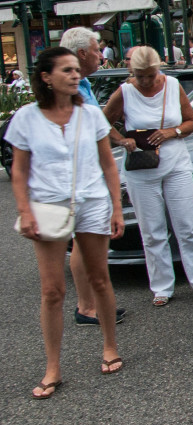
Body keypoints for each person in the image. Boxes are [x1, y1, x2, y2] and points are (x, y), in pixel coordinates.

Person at [6, 47, 125, 398]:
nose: (76, 76)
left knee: (99, 278)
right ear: (46, 77)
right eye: (67, 71)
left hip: (91, 202)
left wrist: (117, 208)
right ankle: (53, 367)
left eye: (77, 70)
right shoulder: (26, 117)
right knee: (52, 290)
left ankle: (109, 346)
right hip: (47, 205)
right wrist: (24, 210)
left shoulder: (90, 115)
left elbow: (108, 165)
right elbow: (19, 170)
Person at [103, 47, 193, 306]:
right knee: (152, 231)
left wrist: (171, 132)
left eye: (150, 75)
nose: (145, 81)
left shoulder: (173, 85)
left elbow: (191, 122)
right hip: (142, 168)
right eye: (139, 76)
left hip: (176, 163)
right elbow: (103, 121)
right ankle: (162, 287)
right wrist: (122, 140)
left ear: (158, 68)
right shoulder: (125, 91)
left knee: (188, 226)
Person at [58, 26, 125, 326]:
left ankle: (93, 304)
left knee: (87, 240)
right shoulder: (69, 86)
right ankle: (86, 307)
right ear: (82, 52)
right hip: (77, 176)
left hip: (88, 173)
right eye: (97, 49)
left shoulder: (81, 83)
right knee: (81, 240)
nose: (101, 55)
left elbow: (96, 123)